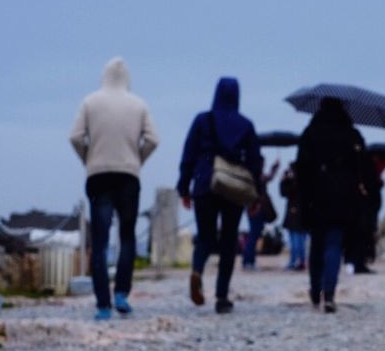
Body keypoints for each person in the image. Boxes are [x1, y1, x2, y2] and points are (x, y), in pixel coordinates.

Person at [68, 57, 158, 321]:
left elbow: (74, 136)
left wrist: (89, 157)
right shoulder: (138, 104)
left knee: (100, 241)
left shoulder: (90, 102)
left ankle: (103, 304)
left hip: (98, 175)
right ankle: (121, 293)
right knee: (127, 236)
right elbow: (153, 139)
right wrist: (136, 159)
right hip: (128, 175)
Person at [176, 77, 263, 315]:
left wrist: (184, 187)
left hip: (205, 183)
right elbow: (255, 162)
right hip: (232, 187)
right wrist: (257, 197)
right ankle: (222, 297)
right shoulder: (245, 125)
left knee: (205, 237)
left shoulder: (203, 120)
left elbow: (189, 154)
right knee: (228, 240)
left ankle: (197, 271)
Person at [296, 97, 367, 313]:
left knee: (317, 244)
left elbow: (301, 167)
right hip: (344, 195)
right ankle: (329, 293)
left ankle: (315, 289)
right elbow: (362, 167)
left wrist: (302, 196)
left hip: (316, 194)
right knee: (335, 244)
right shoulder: (352, 134)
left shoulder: (311, 133)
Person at [242, 160, 280, 270]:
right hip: (255, 210)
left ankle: (248, 260)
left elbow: (268, 178)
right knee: (254, 235)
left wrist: (274, 168)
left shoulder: (251, 176)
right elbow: (267, 178)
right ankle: (249, 260)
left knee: (254, 235)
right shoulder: (256, 177)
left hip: (253, 209)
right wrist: (274, 169)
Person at [279, 161, 308, 271]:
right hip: (304, 213)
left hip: (294, 213)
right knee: (301, 238)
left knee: (296, 239)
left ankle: (296, 261)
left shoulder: (295, 181)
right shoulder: (306, 180)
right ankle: (300, 261)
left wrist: (285, 180)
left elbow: (285, 193)